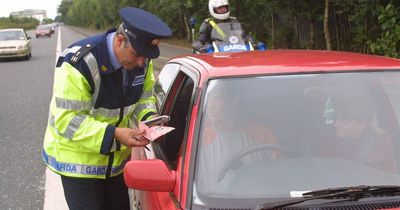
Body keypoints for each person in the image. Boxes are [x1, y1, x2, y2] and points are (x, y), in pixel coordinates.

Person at [41, 7, 172, 210]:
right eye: (138, 54)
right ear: (120, 40)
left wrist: (150, 119)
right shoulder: (79, 64)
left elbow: (145, 98)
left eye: (147, 57)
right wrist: (114, 134)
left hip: (116, 164)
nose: (142, 63)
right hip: (79, 166)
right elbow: (67, 120)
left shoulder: (142, 61)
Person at [328, 95, 397, 172]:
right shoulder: (330, 141)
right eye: (336, 118)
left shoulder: (381, 147)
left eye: (343, 121)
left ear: (362, 125)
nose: (336, 124)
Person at [192, 0, 256, 53]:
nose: (223, 9)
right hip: (216, 55)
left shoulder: (234, 21)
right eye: (220, 8)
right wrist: (204, 48)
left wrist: (253, 43)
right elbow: (198, 41)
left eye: (224, 7)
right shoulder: (208, 23)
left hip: (238, 51)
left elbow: (245, 36)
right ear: (213, 9)